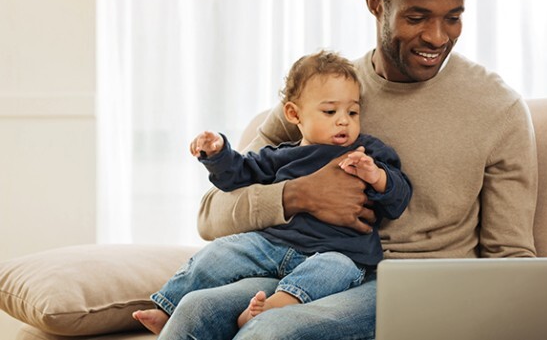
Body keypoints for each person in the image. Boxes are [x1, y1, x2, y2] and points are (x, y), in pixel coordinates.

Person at [157, 0, 547, 340]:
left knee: (270, 333)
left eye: (453, 17)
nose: (437, 37)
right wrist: (297, 194)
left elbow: (510, 258)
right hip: (306, 267)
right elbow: (212, 214)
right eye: (417, 17)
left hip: (415, 291)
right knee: (194, 313)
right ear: (376, 5)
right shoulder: (325, 95)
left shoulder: (497, 108)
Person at [133, 50, 412, 335]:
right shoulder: (282, 155)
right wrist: (217, 153)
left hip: (340, 250)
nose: (343, 121)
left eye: (352, 112)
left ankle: (278, 304)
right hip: (273, 244)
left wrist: (376, 176)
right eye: (330, 112)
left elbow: (398, 199)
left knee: (336, 269)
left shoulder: (367, 152)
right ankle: (168, 306)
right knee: (220, 253)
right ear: (294, 114)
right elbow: (238, 174)